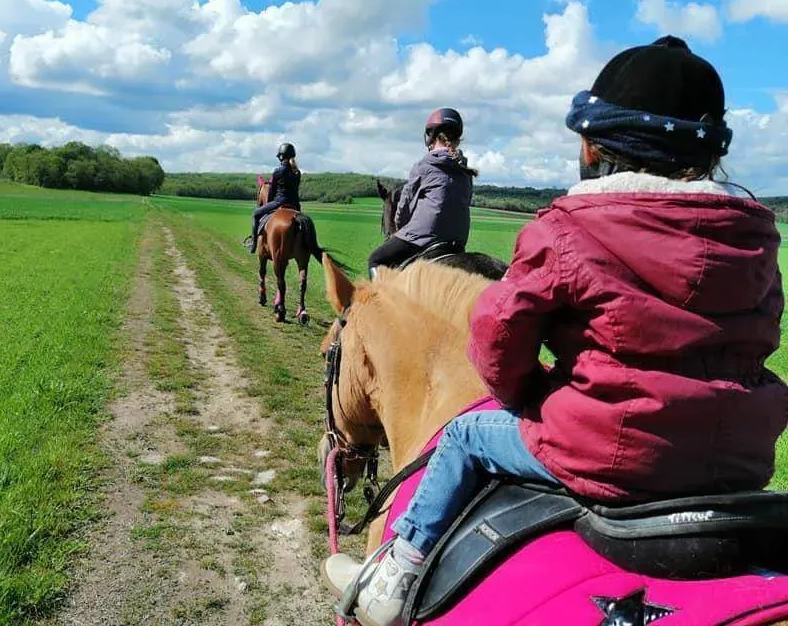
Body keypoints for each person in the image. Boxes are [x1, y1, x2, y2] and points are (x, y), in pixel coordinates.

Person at [323, 35, 788, 626]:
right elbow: (760, 337)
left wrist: (526, 396)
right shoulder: (755, 237)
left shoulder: (568, 227)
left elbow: (497, 337)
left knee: (466, 436)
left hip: (603, 455)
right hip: (739, 461)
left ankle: (396, 573)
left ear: (593, 148)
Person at [368, 108, 476, 278]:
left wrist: (400, 228)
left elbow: (404, 205)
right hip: (457, 241)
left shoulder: (424, 166)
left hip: (423, 237)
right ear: (457, 139)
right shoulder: (466, 172)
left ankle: (380, 304)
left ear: (430, 137)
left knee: (375, 259)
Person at [247, 142, 302, 253]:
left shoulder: (278, 171)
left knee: (256, 214)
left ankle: (253, 244)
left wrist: (270, 202)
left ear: (281, 157)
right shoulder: (297, 172)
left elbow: (272, 192)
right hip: (296, 205)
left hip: (279, 202)